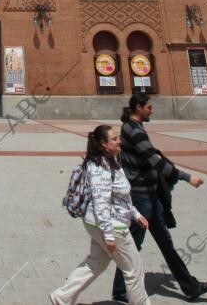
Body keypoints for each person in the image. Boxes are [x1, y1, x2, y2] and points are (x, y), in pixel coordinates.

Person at [112, 94, 207, 303]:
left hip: (148, 195)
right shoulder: (132, 129)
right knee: (133, 244)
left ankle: (190, 287)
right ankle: (120, 290)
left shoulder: (133, 127)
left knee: (161, 244)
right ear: (138, 107)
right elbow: (155, 160)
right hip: (141, 198)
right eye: (149, 107)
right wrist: (188, 178)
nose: (152, 110)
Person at [49, 124, 151, 305]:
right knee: (133, 270)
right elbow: (100, 201)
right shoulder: (100, 167)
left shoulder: (110, 161)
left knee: (95, 263)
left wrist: (135, 214)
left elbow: (120, 194)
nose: (119, 140)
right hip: (112, 226)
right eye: (114, 138)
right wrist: (109, 235)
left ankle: (61, 297)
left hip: (96, 224)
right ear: (103, 144)